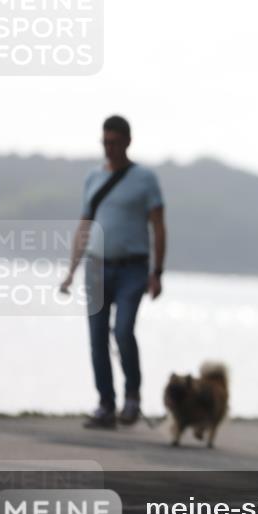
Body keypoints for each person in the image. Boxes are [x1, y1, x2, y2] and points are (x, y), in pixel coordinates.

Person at [60, 115, 166, 429]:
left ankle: (131, 396)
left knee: (122, 331)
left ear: (128, 142)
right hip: (95, 266)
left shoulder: (145, 178)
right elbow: (84, 225)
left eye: (115, 143)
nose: (110, 148)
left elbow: (158, 226)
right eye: (105, 143)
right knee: (97, 338)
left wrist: (157, 271)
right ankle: (106, 404)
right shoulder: (92, 178)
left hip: (133, 268)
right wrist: (70, 270)